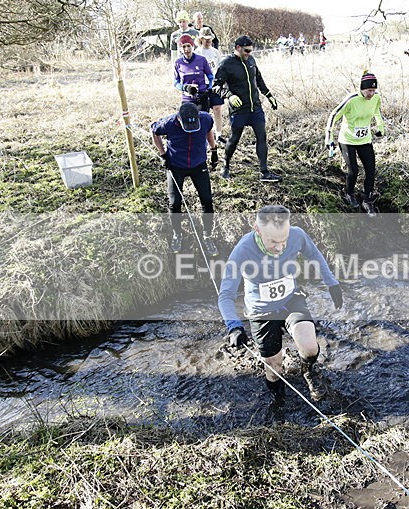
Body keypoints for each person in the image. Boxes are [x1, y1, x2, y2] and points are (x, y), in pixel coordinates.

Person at [218, 205, 343, 403]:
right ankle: (278, 399)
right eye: (273, 242)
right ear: (257, 230)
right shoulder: (242, 250)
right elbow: (225, 295)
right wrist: (234, 326)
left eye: (284, 241)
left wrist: (332, 283)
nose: (280, 248)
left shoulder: (297, 235)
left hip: (290, 300)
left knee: (310, 347)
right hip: (261, 312)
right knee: (274, 369)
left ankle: (308, 372)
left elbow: (314, 255)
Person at [151, 102, 219, 256]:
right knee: (174, 203)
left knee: (207, 201)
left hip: (198, 164)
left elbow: (209, 131)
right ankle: (177, 234)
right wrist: (163, 155)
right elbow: (154, 131)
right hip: (176, 165)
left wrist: (214, 150)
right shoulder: (168, 123)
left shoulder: (205, 118)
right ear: (179, 119)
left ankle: (207, 236)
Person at [212, 35, 281, 183]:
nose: (249, 53)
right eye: (246, 50)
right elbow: (216, 86)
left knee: (262, 136)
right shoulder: (226, 64)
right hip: (239, 110)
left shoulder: (251, 60)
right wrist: (229, 95)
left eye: (250, 50)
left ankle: (264, 172)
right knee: (235, 138)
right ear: (237, 48)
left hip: (255, 107)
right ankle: (226, 166)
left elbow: (259, 79)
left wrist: (269, 95)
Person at [325, 71, 385, 216]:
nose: (371, 93)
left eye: (374, 90)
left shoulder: (376, 98)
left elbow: (376, 111)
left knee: (371, 170)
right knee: (354, 171)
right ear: (362, 88)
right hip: (348, 140)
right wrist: (329, 137)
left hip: (364, 140)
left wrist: (380, 126)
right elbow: (334, 115)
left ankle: (368, 199)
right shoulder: (351, 100)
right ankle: (349, 193)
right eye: (369, 90)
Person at [194, 28, 225, 142]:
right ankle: (206, 136)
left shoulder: (215, 52)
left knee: (217, 108)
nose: (208, 41)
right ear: (201, 39)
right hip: (203, 85)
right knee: (204, 112)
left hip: (215, 84)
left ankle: (219, 134)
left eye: (210, 39)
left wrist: (220, 82)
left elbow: (220, 68)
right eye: (206, 39)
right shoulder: (197, 53)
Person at [173, 35, 213, 110]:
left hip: (202, 97)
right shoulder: (178, 63)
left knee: (204, 120)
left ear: (193, 46)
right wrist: (185, 87)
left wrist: (209, 89)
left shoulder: (202, 60)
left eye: (188, 46)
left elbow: (211, 77)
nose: (186, 49)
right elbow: (175, 83)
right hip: (187, 99)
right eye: (183, 47)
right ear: (180, 49)